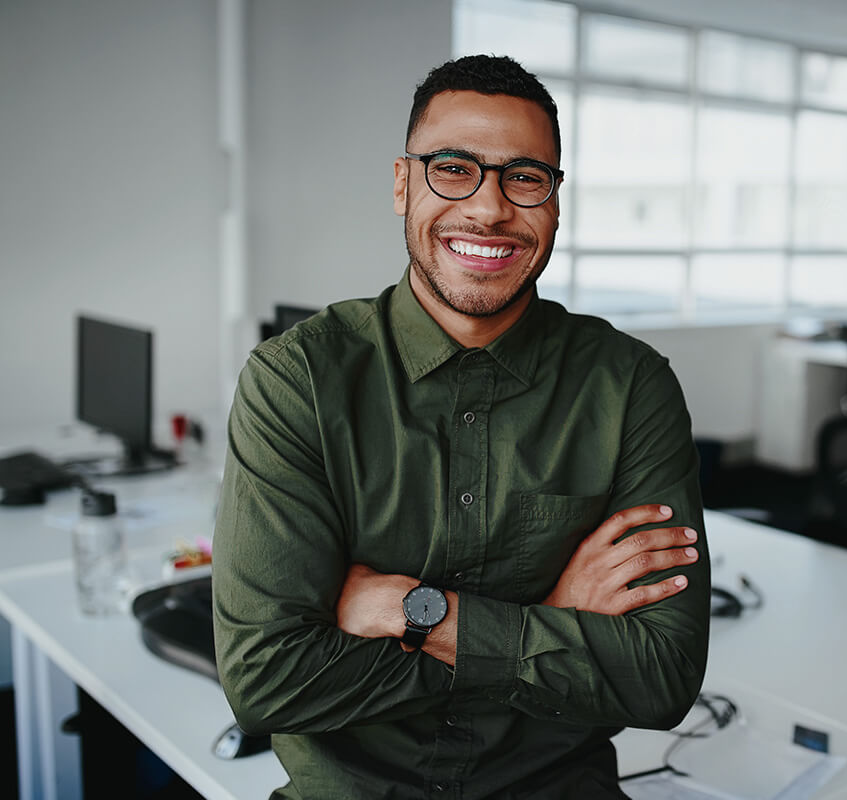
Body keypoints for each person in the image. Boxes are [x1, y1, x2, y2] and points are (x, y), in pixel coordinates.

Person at [212, 53, 711, 799]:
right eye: (453, 167)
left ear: (556, 201)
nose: (488, 209)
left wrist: (417, 614)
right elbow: (267, 682)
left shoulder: (630, 386)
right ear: (402, 183)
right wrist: (548, 623)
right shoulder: (299, 381)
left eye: (525, 177)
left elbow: (660, 680)